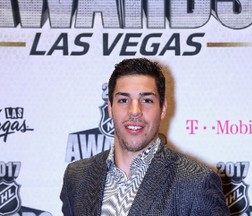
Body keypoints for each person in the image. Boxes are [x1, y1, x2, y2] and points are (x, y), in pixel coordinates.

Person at [60, 58, 230, 216]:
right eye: (123, 100)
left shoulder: (197, 183)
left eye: (147, 100)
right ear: (110, 108)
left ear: (163, 108)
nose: (135, 111)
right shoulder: (76, 177)